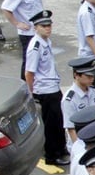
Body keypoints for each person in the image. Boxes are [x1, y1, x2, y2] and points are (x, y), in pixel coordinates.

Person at [24, 9, 68, 166]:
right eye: (44, 26)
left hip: (53, 87)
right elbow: (29, 72)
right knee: (51, 125)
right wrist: (31, 93)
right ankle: (51, 155)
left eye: (49, 25)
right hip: (45, 90)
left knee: (59, 121)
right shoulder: (35, 46)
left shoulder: (46, 42)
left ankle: (61, 148)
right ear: (36, 27)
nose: (48, 28)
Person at [1, 0, 43, 77]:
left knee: (37, 61)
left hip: (37, 31)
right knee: (29, 63)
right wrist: (17, 23)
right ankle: (25, 86)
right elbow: (6, 8)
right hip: (28, 33)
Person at [62, 57, 95, 147]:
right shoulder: (70, 99)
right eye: (88, 76)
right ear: (76, 75)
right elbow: (71, 129)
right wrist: (80, 149)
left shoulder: (93, 92)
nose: (92, 79)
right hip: (80, 142)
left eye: (93, 75)